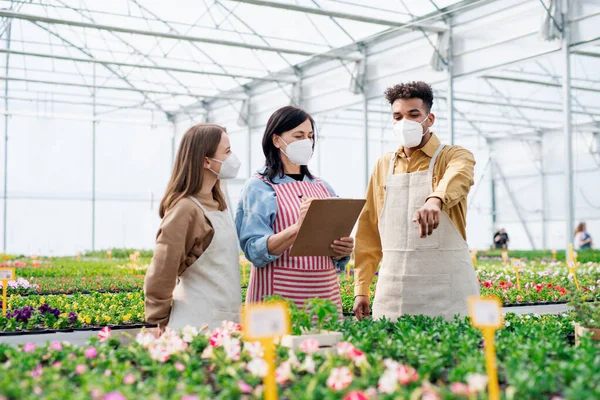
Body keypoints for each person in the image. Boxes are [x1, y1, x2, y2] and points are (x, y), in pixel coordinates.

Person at [353, 81, 479, 321]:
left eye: (413, 115)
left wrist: (435, 199)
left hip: (448, 291)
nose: (404, 123)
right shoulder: (383, 165)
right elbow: (369, 229)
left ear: (429, 119)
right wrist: (362, 288)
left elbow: (459, 175)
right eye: (397, 116)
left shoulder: (454, 156)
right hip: (393, 290)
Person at [236, 106, 354, 313]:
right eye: (298, 136)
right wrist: (297, 228)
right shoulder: (259, 187)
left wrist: (340, 251)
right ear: (276, 140)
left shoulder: (323, 187)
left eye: (310, 136)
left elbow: (333, 252)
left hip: (324, 298)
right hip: (277, 298)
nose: (306, 142)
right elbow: (254, 251)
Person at [144, 124, 242, 334]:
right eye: (227, 151)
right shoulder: (185, 210)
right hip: (195, 325)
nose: (232, 157)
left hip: (224, 321)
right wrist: (157, 321)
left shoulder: (218, 202)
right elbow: (162, 271)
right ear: (206, 161)